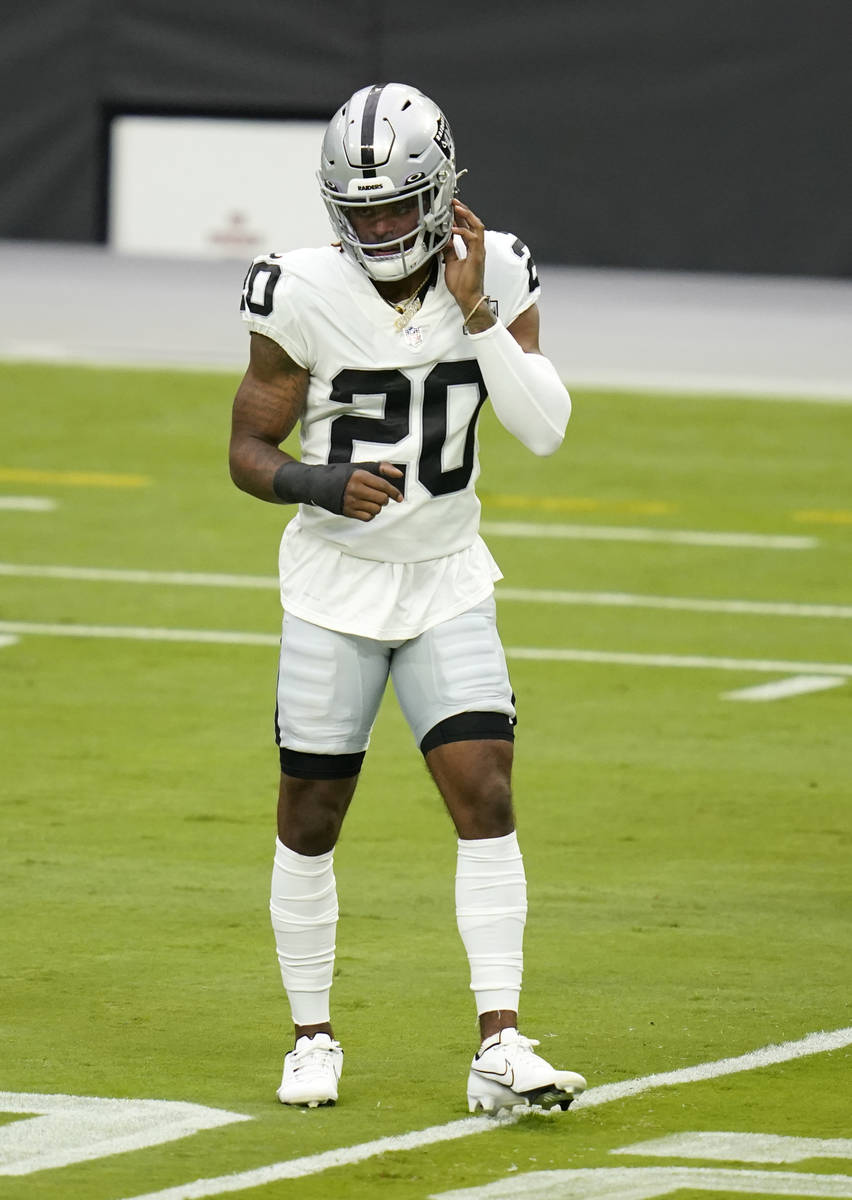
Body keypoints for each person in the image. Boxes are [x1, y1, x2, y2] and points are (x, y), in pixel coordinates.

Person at [229, 82, 585, 1114]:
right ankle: (311, 1037)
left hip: (447, 580)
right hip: (334, 585)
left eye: (397, 206)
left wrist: (475, 309)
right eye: (362, 208)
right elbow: (247, 451)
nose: (379, 226)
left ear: (439, 193)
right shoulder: (297, 289)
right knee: (312, 814)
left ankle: (502, 1044)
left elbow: (546, 428)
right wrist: (315, 482)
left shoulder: (498, 264)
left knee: (488, 794)